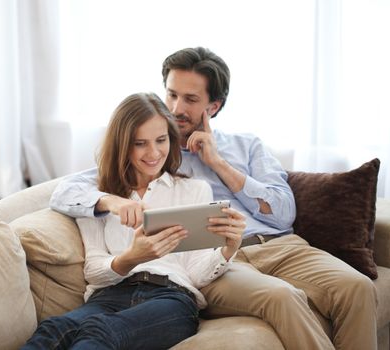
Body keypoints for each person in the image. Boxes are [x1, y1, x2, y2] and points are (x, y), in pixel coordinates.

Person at [49, 47, 377, 349]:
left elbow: (283, 214)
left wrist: (218, 164)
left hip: (279, 245)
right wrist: (112, 201)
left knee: (358, 288)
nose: (177, 108)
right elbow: (67, 190)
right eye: (172, 94)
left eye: (190, 99)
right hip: (219, 261)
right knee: (282, 297)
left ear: (213, 106)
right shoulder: (153, 150)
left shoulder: (245, 146)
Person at [22, 92, 245, 349]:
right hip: (109, 295)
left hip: (171, 298)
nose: (153, 153)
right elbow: (94, 272)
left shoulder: (194, 190)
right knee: (54, 329)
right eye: (140, 143)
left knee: (100, 332)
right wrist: (130, 256)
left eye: (161, 140)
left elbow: (194, 272)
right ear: (123, 144)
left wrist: (228, 248)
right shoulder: (96, 199)